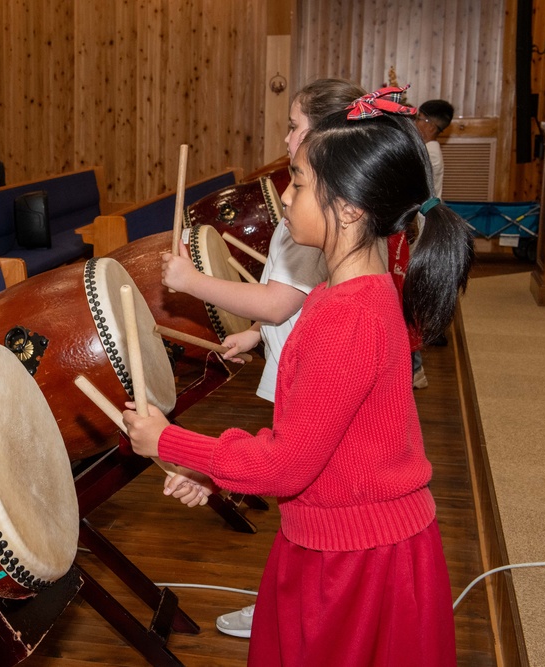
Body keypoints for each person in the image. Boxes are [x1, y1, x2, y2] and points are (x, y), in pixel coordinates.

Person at [124, 87, 472, 665]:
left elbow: (287, 464)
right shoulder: (348, 295)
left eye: (302, 183)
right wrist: (215, 474)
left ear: (351, 207)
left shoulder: (348, 316)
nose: (285, 196)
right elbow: (315, 446)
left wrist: (167, 440)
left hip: (357, 560)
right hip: (336, 536)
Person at [160, 79, 363, 639]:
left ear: (325, 138)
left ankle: (288, 602)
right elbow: (287, 299)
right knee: (299, 494)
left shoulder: (316, 213)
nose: (286, 135)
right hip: (294, 358)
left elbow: (279, 303)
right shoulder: (321, 210)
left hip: (307, 370)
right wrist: (253, 336)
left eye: (296, 126)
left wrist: (193, 281)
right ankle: (284, 595)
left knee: (297, 486)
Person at [410, 98, 455, 388]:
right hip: (420, 229)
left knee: (407, 299)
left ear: (429, 125)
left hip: (420, 231)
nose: (415, 122)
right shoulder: (428, 149)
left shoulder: (429, 153)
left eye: (418, 118)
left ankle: (414, 368)